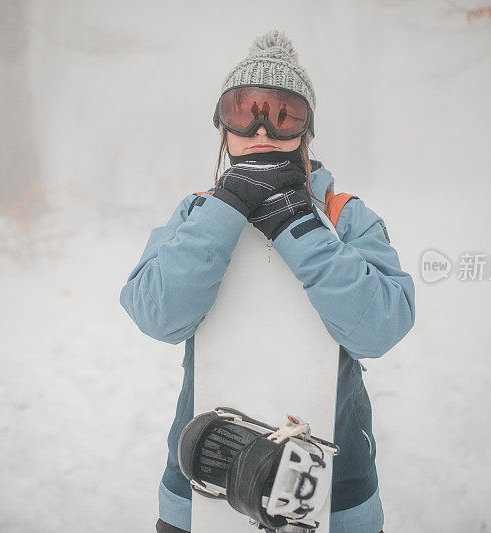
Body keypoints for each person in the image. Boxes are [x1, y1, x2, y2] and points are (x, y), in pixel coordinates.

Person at [120, 29, 416, 533]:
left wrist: (297, 226)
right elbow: (157, 314)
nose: (261, 130)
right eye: (243, 112)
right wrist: (225, 212)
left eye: (282, 115)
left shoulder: (344, 216)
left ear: (305, 130)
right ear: (222, 129)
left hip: (334, 487)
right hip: (203, 476)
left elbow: (381, 326)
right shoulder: (195, 213)